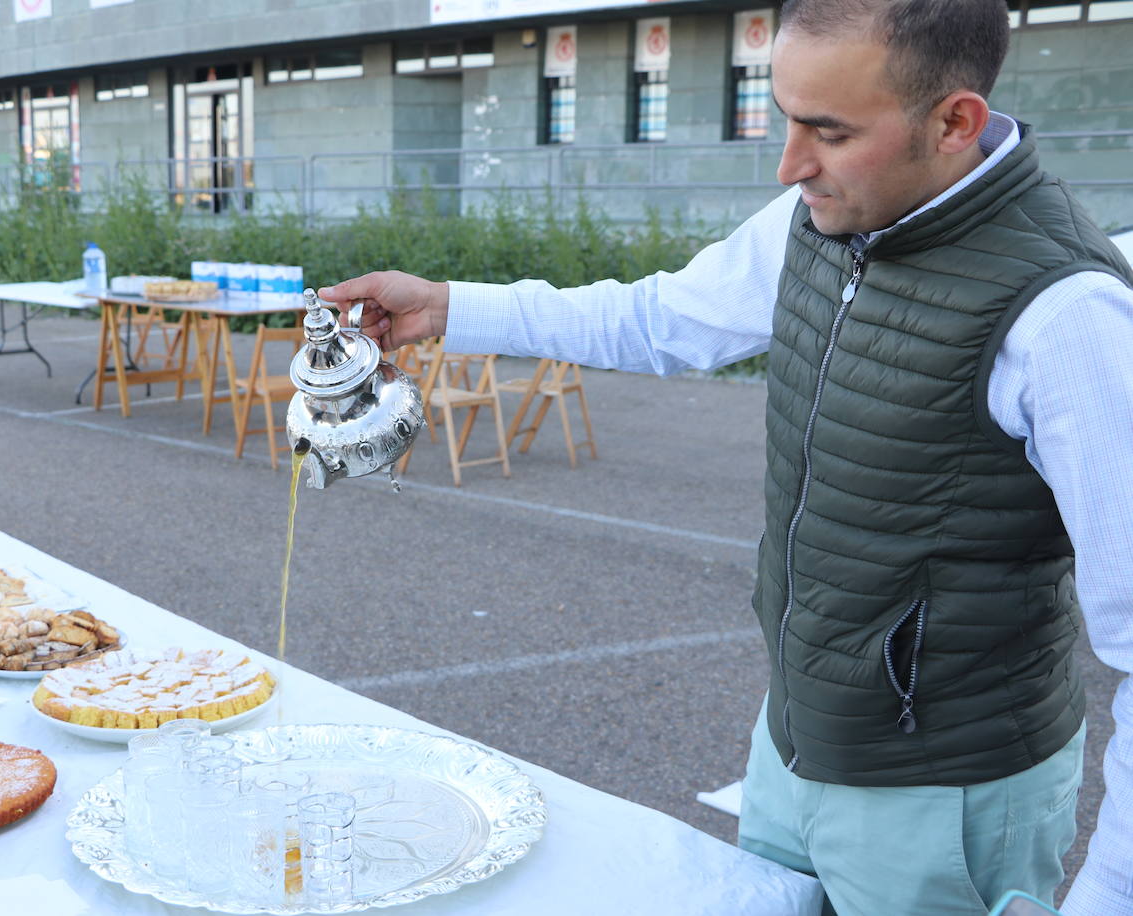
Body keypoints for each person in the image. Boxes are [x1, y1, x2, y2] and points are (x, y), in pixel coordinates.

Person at [318, 1, 1133, 914]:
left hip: (944, 793)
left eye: (828, 131)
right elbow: (660, 317)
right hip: (792, 745)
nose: (790, 166)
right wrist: (449, 306)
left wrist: (1107, 893)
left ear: (955, 122)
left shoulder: (1070, 316)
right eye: (786, 117)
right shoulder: (821, 214)